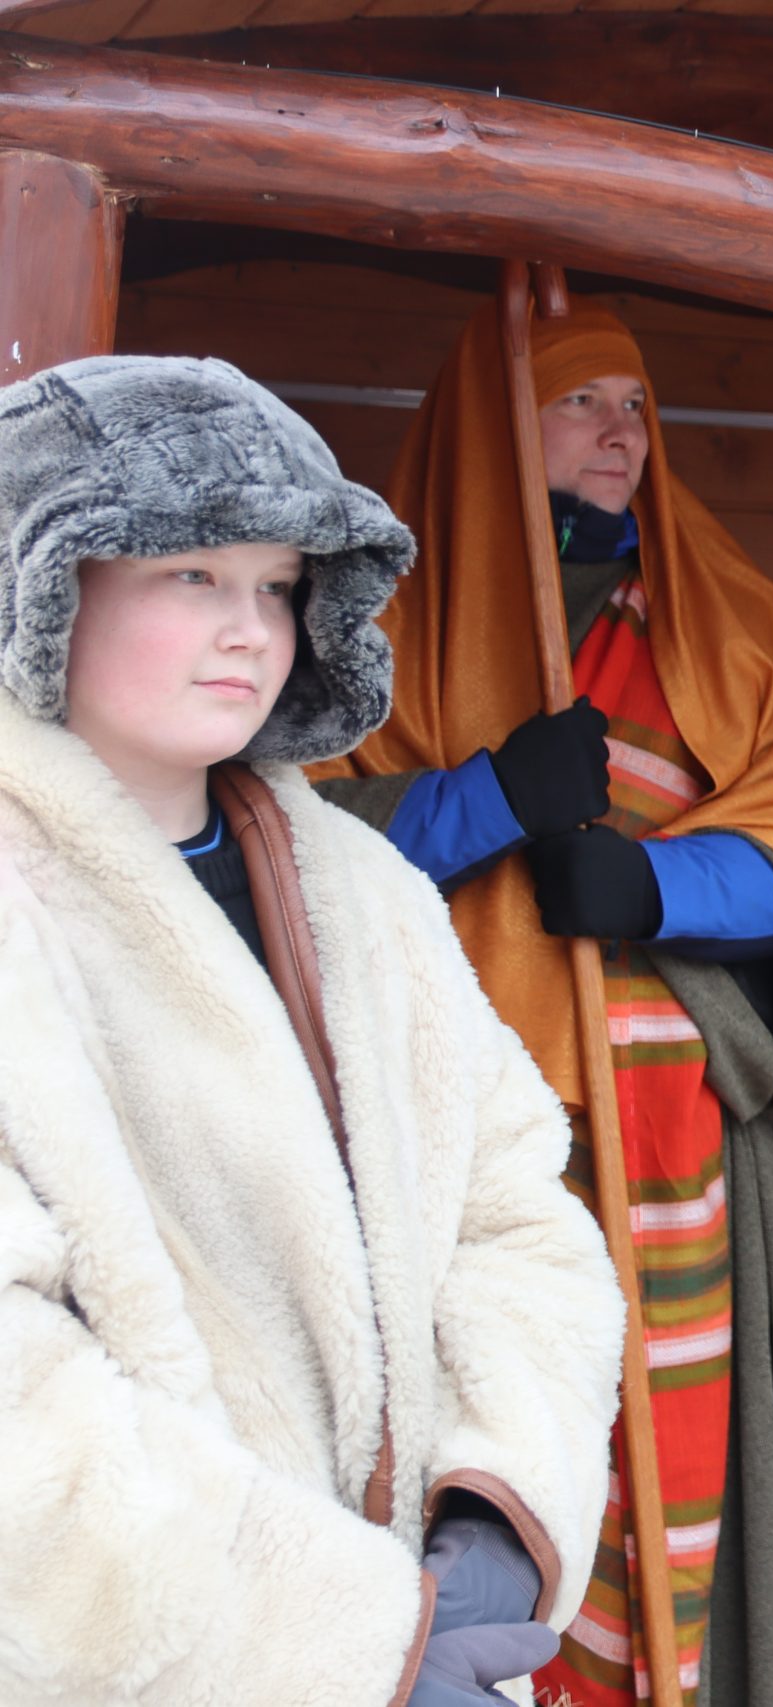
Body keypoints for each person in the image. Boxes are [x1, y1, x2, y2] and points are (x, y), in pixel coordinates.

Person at [0, 355, 626, 1705]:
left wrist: (489, 1531)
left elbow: (515, 1215)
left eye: (277, 586)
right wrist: (347, 1650)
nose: (250, 629)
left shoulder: (366, 892)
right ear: (47, 582)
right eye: (192, 575)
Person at [309, 301, 773, 1707]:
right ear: (495, 428)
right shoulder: (367, 630)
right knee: (481, 1456)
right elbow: (283, 843)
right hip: (446, 1140)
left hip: (676, 1140)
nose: (622, 432)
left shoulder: (727, 619)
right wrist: (483, 800)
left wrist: (655, 888)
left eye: (635, 404)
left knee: (661, 1471)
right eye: (580, 403)